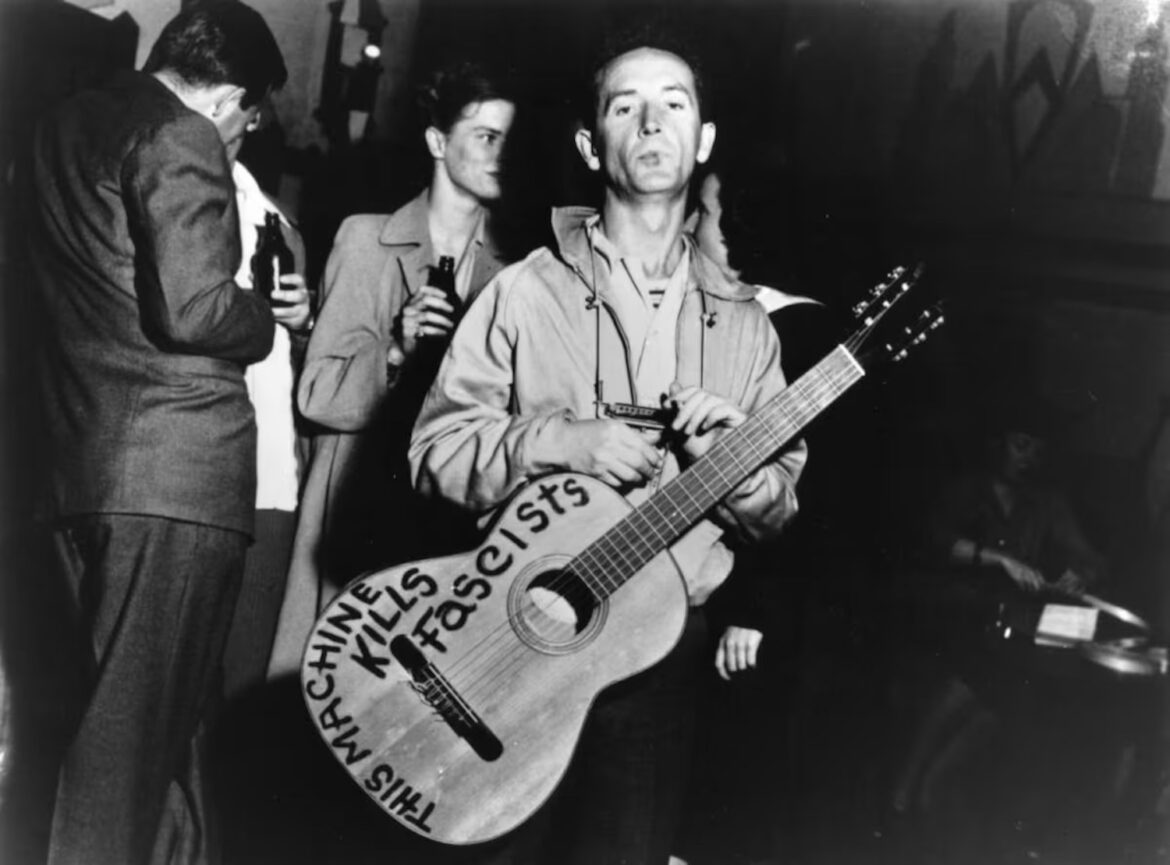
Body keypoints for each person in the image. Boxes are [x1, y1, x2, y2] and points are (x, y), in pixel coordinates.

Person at [409, 22, 806, 864]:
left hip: (662, 655)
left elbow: (780, 506)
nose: (653, 124)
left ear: (702, 140)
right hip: (522, 630)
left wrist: (738, 478)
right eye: (626, 108)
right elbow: (434, 451)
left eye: (674, 105)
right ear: (593, 145)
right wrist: (560, 442)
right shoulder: (523, 289)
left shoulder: (748, 328)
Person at [28, 3, 293, 863]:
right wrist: (267, 316)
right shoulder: (184, 135)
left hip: (83, 472)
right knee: (127, 755)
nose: (239, 140)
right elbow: (197, 308)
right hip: (174, 484)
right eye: (248, 122)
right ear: (233, 100)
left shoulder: (63, 128)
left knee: (159, 748)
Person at [266, 60, 518, 678]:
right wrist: (397, 350)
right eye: (486, 137)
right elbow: (319, 394)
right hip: (357, 509)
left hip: (447, 520)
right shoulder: (366, 239)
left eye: (511, 140)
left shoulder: (516, 271)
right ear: (437, 142)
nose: (501, 154)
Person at [219, 115, 313, 704]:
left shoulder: (277, 221)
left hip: (269, 474)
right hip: (190, 469)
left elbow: (305, 375)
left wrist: (304, 323)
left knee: (243, 667)